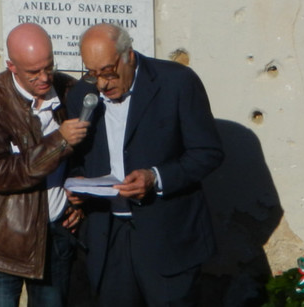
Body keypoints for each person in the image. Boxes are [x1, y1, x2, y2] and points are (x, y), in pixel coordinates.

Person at [66, 24, 224, 307]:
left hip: (166, 238)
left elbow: (207, 152)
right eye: (92, 72)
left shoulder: (176, 82)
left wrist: (156, 177)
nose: (101, 83)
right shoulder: (82, 95)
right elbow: (79, 161)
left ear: (129, 56)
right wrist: (78, 187)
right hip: (108, 237)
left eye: (108, 71)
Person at [0, 23, 89, 307]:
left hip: (56, 234)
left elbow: (87, 157)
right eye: (34, 73)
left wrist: (81, 199)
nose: (45, 78)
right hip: (5, 242)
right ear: (11, 66)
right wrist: (59, 141)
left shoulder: (68, 90)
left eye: (49, 66)